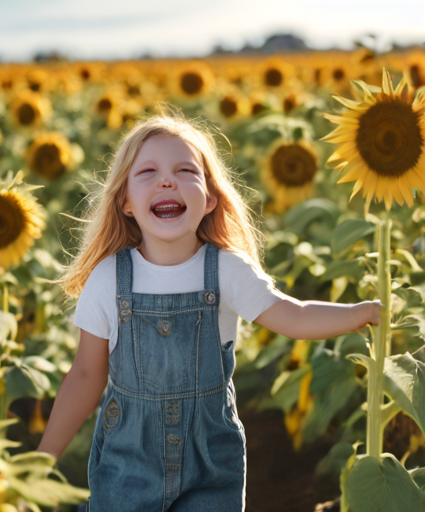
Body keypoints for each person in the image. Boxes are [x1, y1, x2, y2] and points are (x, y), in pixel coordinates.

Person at [36, 110, 382, 512]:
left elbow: (295, 315)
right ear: (126, 202)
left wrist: (361, 313)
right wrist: (43, 461)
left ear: (211, 198)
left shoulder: (227, 271)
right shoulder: (109, 278)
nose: (167, 180)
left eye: (186, 170)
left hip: (210, 465)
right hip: (126, 464)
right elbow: (85, 375)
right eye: (147, 171)